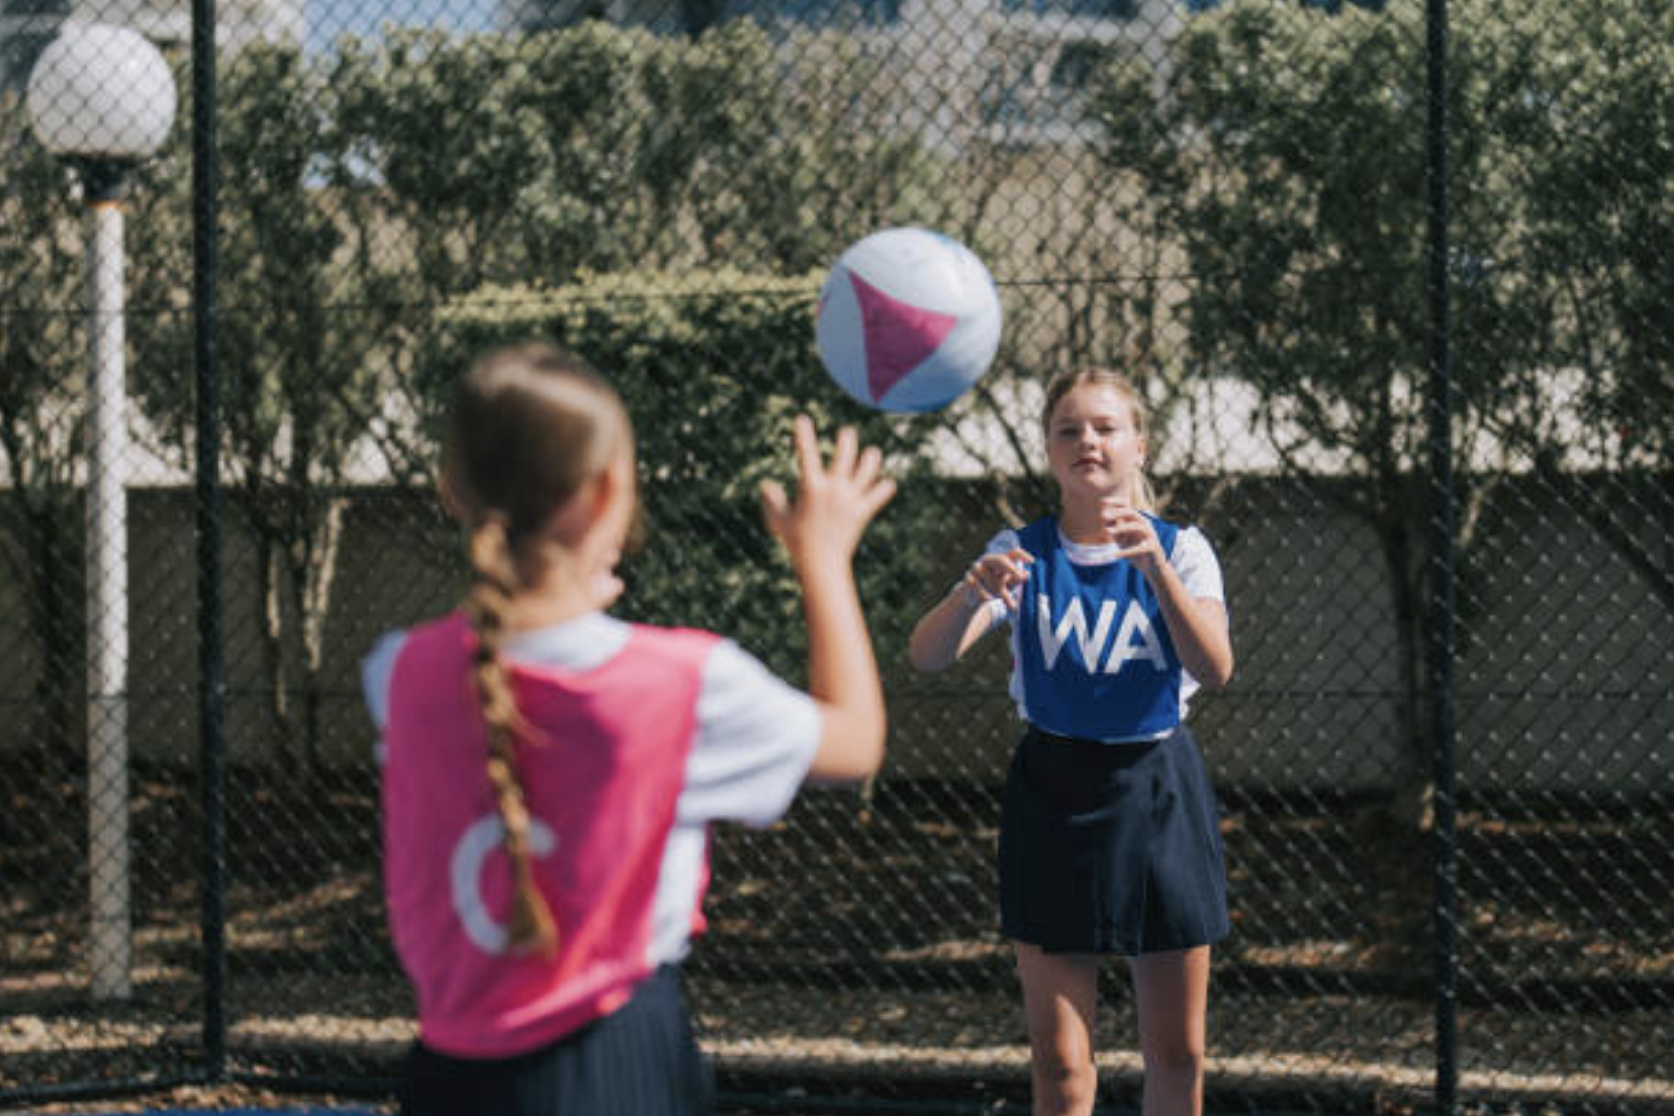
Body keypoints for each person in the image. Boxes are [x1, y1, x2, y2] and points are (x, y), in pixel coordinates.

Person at [360, 340, 896, 1116]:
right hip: (615, 1063)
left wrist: (570, 591)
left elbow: (519, 661)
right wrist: (823, 556)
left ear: (452, 488)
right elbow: (855, 741)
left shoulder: (396, 675)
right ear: (608, 490)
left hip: (446, 1076)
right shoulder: (683, 684)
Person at [908, 367, 1234, 1116]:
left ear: (1139, 446)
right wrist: (972, 592)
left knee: (1176, 1052)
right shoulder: (1019, 555)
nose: (1086, 440)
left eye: (1105, 427)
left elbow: (1214, 669)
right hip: (1054, 793)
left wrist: (1153, 569)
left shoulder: (1182, 551)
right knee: (1060, 1064)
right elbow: (927, 655)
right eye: (1068, 429)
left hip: (1158, 788)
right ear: (1049, 450)